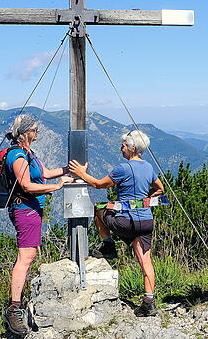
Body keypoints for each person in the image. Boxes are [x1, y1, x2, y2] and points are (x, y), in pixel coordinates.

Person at [68, 130, 164, 317]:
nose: (121, 148)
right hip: (145, 221)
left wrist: (81, 173)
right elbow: (160, 189)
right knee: (146, 262)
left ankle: (108, 246)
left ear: (132, 148)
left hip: (126, 222)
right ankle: (149, 302)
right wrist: (145, 200)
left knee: (98, 210)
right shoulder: (148, 167)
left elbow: (98, 184)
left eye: (123, 145)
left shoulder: (123, 168)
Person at [3, 113, 73, 336]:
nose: (37, 132)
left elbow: (43, 174)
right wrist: (57, 187)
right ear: (25, 132)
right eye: (34, 129)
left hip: (31, 210)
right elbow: (27, 185)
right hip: (25, 209)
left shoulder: (28, 154)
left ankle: (17, 304)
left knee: (29, 254)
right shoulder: (18, 156)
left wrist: (67, 170)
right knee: (25, 257)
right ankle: (14, 308)